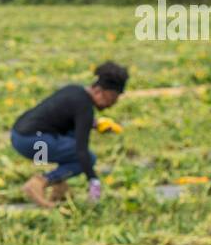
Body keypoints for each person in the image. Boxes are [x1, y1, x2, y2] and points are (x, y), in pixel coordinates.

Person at [9, 62, 128, 208]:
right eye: (112, 98)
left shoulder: (75, 91)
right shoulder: (84, 108)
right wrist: (94, 181)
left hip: (19, 136)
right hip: (34, 143)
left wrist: (95, 124)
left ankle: (60, 188)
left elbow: (63, 119)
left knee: (70, 140)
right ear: (98, 91)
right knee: (86, 158)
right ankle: (39, 182)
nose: (112, 104)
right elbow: (81, 149)